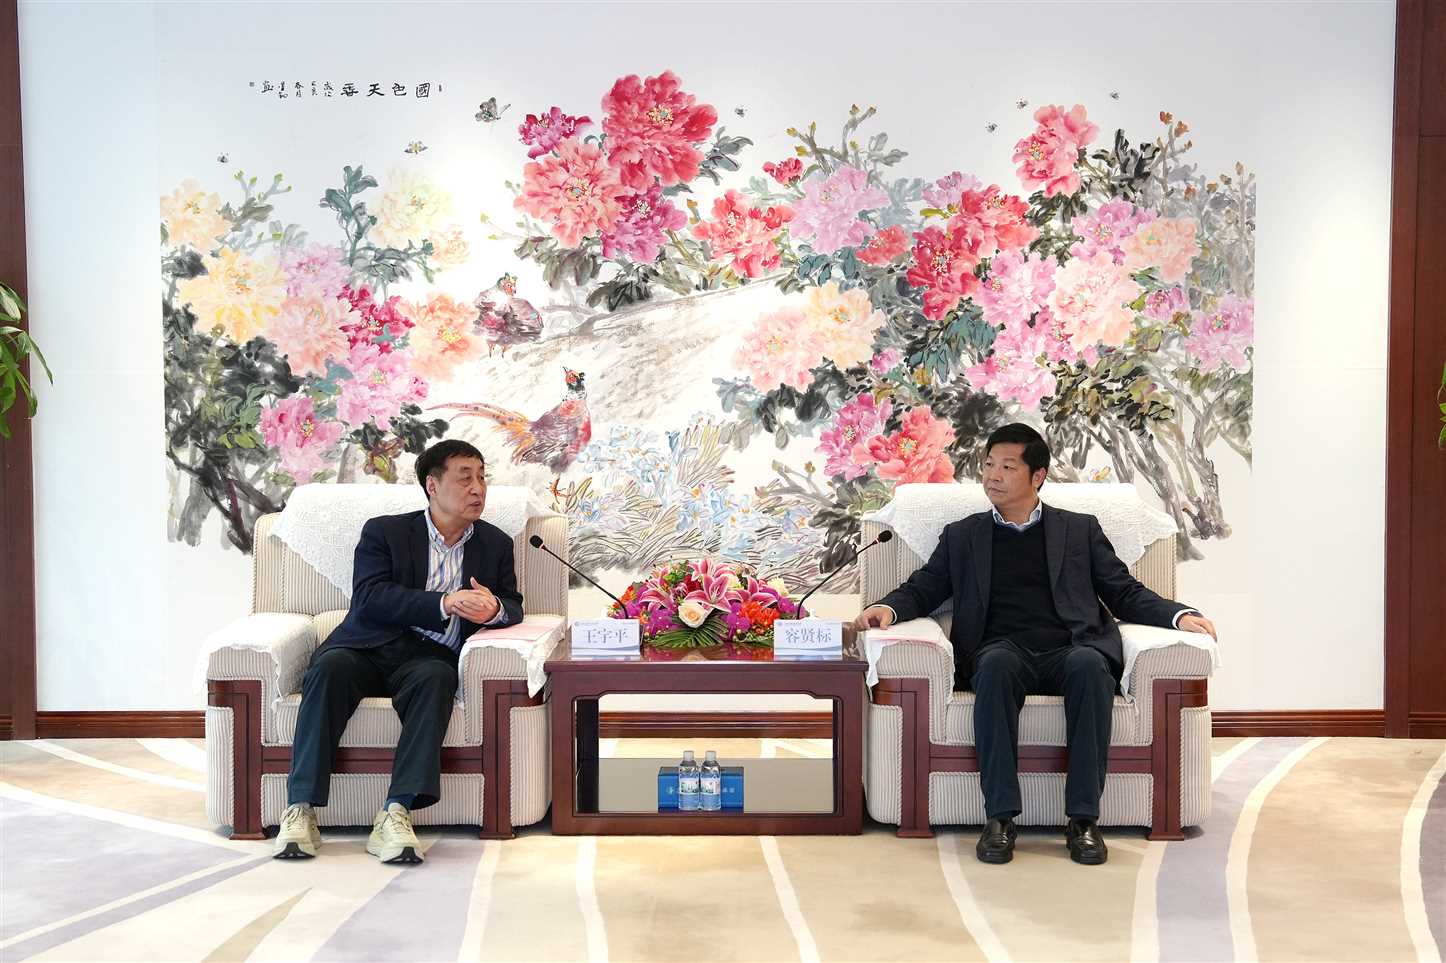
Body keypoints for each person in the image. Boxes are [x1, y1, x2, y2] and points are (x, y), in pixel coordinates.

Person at [854, 423, 1216, 865]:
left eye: (1007, 467)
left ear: (1037, 476)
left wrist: (1179, 615)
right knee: (995, 667)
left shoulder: (1079, 530)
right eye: (989, 465)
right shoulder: (963, 535)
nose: (993, 475)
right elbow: (925, 587)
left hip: (1071, 647)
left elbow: (1123, 591)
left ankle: (1083, 820)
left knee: (1090, 668)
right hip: (1000, 649)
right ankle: (1000, 818)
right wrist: (887, 608)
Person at [274, 440, 523, 864]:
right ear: (432, 485)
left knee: (438, 678)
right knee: (329, 668)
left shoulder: (494, 544)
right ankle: (300, 809)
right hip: (366, 646)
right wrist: (444, 602)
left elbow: (514, 604)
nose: (478, 488)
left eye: (482, 478)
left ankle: (396, 813)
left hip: (429, 656)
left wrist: (494, 608)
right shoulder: (385, 532)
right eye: (465, 478)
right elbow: (370, 596)